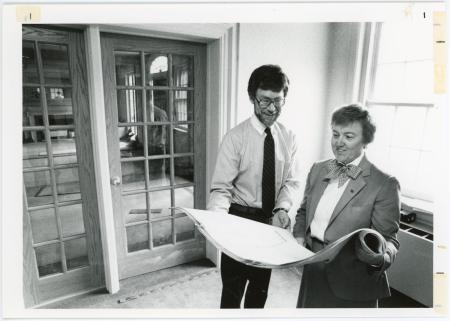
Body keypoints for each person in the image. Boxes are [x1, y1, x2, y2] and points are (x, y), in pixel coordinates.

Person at [208, 64, 302, 309]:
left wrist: (282, 209)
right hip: (238, 219)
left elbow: (291, 181)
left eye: (278, 101)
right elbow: (221, 189)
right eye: (264, 100)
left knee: (260, 291)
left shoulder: (289, 137)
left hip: (270, 223)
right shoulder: (235, 138)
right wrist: (218, 225)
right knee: (232, 290)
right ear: (252, 97)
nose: (272, 108)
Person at [293, 104, 400, 308]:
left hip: (353, 282)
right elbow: (303, 211)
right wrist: (298, 239)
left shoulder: (385, 184)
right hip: (313, 271)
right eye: (335, 134)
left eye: (349, 137)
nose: (338, 143)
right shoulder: (318, 169)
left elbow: (388, 241)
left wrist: (380, 257)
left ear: (365, 141)